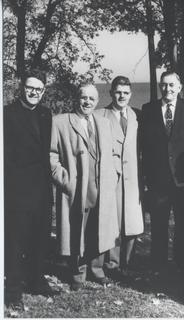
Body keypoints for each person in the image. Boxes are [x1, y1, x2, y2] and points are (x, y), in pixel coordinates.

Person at [50, 83, 120, 291]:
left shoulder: (104, 122)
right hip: (77, 189)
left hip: (102, 187)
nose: (87, 101)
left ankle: (97, 270)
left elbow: (114, 153)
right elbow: (51, 155)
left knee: (99, 228)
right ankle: (78, 274)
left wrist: (114, 175)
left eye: (91, 98)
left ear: (97, 101)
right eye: (83, 97)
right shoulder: (60, 122)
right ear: (76, 99)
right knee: (77, 229)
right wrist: (65, 180)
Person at [140, 70, 184, 277]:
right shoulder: (148, 110)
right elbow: (143, 146)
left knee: (182, 223)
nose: (167, 89)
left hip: (182, 178)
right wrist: (144, 177)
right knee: (159, 223)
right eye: (163, 85)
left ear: (179, 87)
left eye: (171, 85)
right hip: (158, 179)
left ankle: (183, 262)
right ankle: (158, 263)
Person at [4, 69, 58, 308]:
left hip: (42, 188)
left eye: (39, 89)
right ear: (21, 87)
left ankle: (36, 280)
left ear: (43, 91)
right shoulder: (6, 114)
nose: (34, 92)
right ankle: (13, 291)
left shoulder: (47, 114)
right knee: (15, 241)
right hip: (16, 189)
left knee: (40, 237)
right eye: (30, 87)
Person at [95, 76, 144, 280]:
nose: (121, 96)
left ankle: (128, 262)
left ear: (130, 94)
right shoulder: (99, 115)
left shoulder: (138, 116)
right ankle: (112, 263)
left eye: (125, 92)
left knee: (132, 222)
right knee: (112, 221)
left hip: (133, 177)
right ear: (111, 93)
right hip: (110, 178)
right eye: (118, 92)